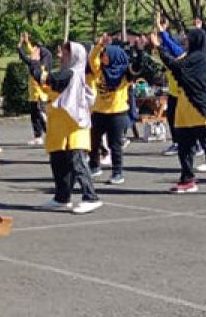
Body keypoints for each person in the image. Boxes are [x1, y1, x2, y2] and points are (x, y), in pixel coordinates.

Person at [22, 34, 102, 213]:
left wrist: (34, 62)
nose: (60, 56)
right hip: (60, 125)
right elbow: (47, 84)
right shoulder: (70, 73)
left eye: (64, 54)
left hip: (73, 126)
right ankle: (61, 197)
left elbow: (45, 79)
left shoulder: (71, 73)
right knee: (59, 163)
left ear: (74, 56)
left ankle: (91, 197)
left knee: (77, 162)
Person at [152, 20, 206, 195]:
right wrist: (162, 37)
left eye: (187, 39)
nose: (184, 41)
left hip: (199, 110)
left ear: (195, 41)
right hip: (184, 109)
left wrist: (159, 47)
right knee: (184, 148)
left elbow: (176, 66)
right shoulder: (188, 56)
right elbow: (175, 57)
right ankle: (187, 179)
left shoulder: (199, 58)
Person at [87, 34, 134, 184]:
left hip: (117, 113)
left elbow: (137, 69)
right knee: (93, 141)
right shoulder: (100, 71)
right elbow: (92, 59)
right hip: (99, 111)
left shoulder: (123, 74)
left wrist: (139, 51)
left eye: (106, 56)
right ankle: (94, 166)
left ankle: (117, 172)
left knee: (115, 145)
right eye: (103, 56)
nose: (103, 58)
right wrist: (99, 46)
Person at [19, 36, 50, 145]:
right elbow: (33, 53)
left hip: (39, 95)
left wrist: (20, 48)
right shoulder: (36, 62)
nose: (33, 51)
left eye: (36, 50)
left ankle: (50, 134)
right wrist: (27, 43)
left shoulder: (39, 65)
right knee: (35, 117)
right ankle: (38, 136)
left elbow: (28, 58)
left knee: (41, 116)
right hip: (33, 95)